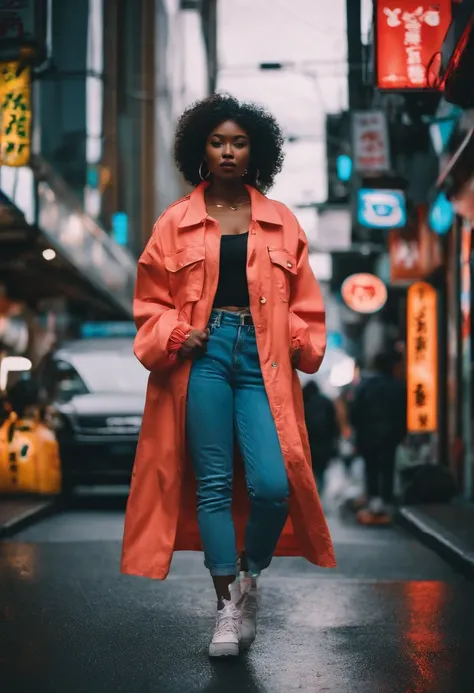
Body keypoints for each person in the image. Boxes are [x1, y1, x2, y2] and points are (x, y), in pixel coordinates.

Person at [121, 93, 336, 658]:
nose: (228, 151)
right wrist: (174, 332)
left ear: (256, 151)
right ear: (200, 149)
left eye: (239, 142)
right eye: (217, 141)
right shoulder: (175, 221)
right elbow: (149, 300)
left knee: (273, 483)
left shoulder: (282, 220)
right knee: (213, 485)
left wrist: (294, 337)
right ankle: (223, 609)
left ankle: (248, 578)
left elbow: (306, 305)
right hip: (204, 358)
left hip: (262, 360)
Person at [350, 351, 407, 525]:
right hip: (390, 437)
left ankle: (374, 501)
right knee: (387, 468)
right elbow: (403, 414)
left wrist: (358, 432)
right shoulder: (397, 386)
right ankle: (386, 502)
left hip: (368, 436)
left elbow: (355, 413)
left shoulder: (365, 386)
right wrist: (400, 434)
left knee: (371, 469)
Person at [302, 380, 339, 491]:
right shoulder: (326, 402)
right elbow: (333, 424)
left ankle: (311, 492)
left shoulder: (304, 402)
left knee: (309, 470)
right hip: (324, 443)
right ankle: (319, 494)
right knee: (320, 471)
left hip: (309, 443)